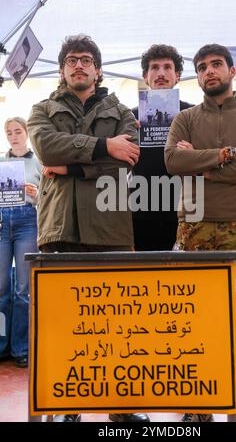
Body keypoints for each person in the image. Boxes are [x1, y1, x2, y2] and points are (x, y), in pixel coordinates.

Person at [27, 34, 148, 423]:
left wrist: (74, 166)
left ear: (97, 69)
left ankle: (122, 410)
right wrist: (102, 148)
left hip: (110, 228)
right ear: (63, 70)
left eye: (86, 60)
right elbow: (47, 149)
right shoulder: (41, 109)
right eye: (72, 60)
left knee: (119, 324)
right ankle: (67, 408)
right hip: (60, 228)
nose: (79, 65)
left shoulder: (123, 112)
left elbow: (128, 155)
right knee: (64, 325)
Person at [165, 44, 236, 422]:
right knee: (195, 329)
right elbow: (173, 161)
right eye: (201, 67)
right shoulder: (185, 119)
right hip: (194, 235)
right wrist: (229, 153)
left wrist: (203, 163)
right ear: (196, 77)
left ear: (231, 70)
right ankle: (197, 411)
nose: (209, 71)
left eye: (216, 65)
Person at [132, 44, 193, 251]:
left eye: (167, 67)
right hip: (141, 207)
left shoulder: (194, 114)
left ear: (177, 76)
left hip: (185, 208)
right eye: (154, 68)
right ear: (145, 76)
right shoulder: (129, 117)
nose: (160, 73)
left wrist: (195, 151)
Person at [0, 117, 40, 368]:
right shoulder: (0, 162)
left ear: (26, 133)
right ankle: (1, 345)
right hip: (2, 222)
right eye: (9, 133)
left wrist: (36, 195)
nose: (13, 136)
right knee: (1, 289)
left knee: (23, 290)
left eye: (17, 131)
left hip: (27, 221)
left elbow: (47, 196)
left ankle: (21, 348)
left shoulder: (38, 162)